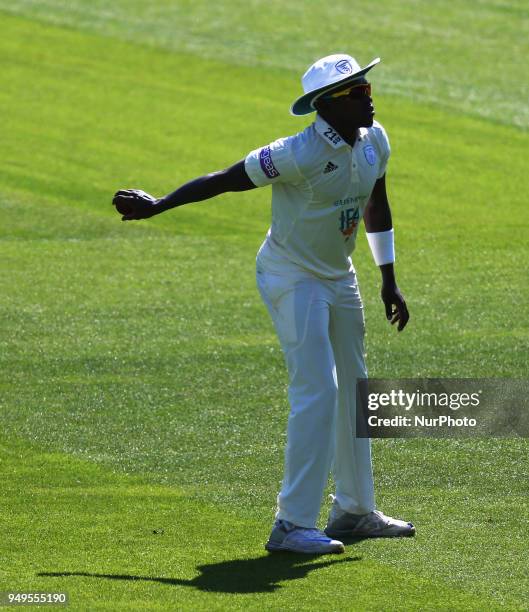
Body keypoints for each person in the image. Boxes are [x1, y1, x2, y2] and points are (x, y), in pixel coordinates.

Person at [113, 54, 415, 555]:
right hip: (291, 277)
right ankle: (291, 525)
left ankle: (354, 511)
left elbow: (375, 203)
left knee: (355, 390)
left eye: (366, 86)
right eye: (357, 92)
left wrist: (389, 279)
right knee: (318, 389)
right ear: (328, 105)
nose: (369, 96)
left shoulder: (375, 140)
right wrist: (159, 204)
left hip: (340, 278)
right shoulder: (296, 153)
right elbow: (228, 178)